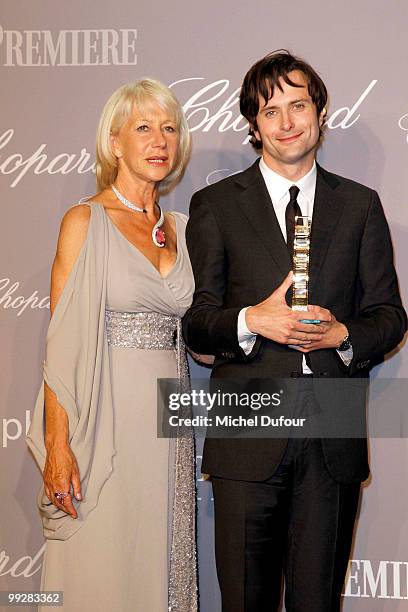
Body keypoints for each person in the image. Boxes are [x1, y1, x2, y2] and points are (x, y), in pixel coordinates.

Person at [182, 51, 407, 612]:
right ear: (253, 126)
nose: (286, 122)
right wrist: (252, 320)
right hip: (247, 433)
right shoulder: (214, 206)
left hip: (331, 435)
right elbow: (197, 323)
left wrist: (341, 337)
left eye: (298, 105)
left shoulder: (359, 206)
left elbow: (389, 316)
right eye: (270, 110)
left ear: (320, 111)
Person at [27, 79, 198, 611]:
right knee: (102, 557)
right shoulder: (85, 221)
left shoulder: (187, 228)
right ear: (115, 142)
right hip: (104, 422)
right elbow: (62, 347)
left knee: (159, 555)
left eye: (169, 128)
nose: (159, 140)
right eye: (143, 128)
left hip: (171, 420)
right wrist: (58, 448)